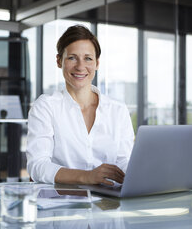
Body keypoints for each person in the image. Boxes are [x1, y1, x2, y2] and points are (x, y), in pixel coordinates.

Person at [26, 25, 134, 185]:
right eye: (72, 58)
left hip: (108, 204)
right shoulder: (45, 106)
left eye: (88, 58)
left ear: (97, 63)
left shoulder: (118, 110)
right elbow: (37, 165)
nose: (80, 66)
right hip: (60, 204)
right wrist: (87, 176)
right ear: (59, 61)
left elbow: (124, 163)